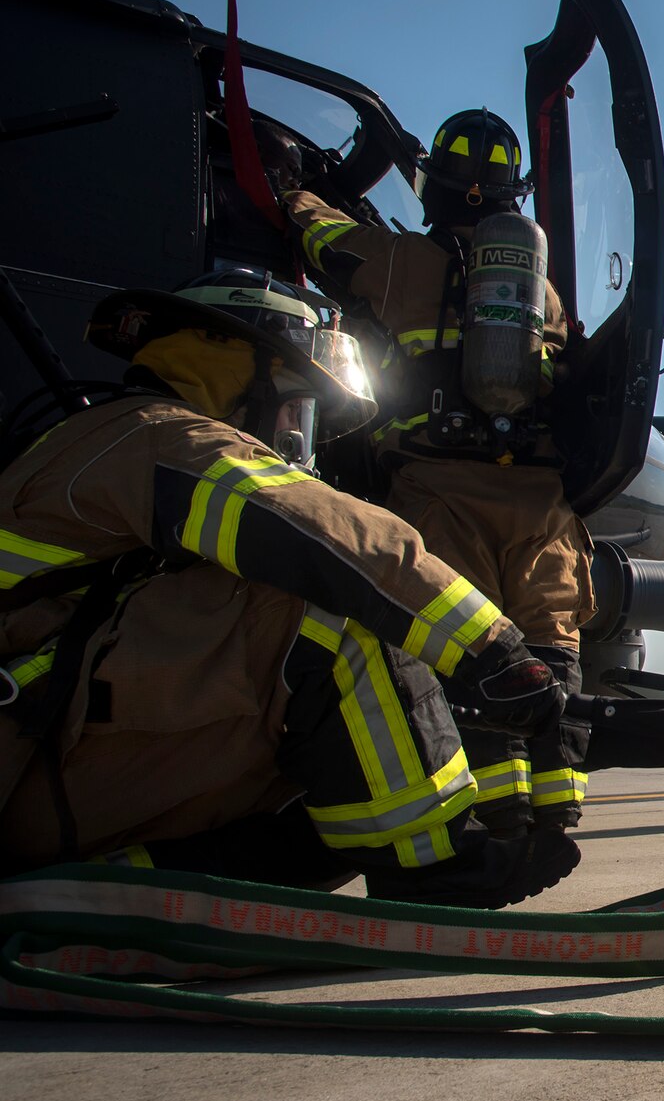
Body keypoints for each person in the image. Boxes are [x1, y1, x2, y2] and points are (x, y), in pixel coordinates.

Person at [0, 271, 572, 907]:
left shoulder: (103, 440)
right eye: (294, 406)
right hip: (30, 762)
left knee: (337, 790)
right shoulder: (161, 436)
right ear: (230, 367)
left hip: (40, 757)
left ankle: (122, 892)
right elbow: (322, 534)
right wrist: (492, 651)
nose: (293, 435)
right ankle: (435, 870)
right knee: (334, 607)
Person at [280, 108, 594, 850]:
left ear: (434, 191)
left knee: (476, 643)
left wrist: (293, 185)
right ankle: (558, 808)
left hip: (441, 485)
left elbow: (316, 234)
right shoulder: (540, 295)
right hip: (540, 499)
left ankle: (495, 819)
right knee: (552, 642)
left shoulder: (396, 260)